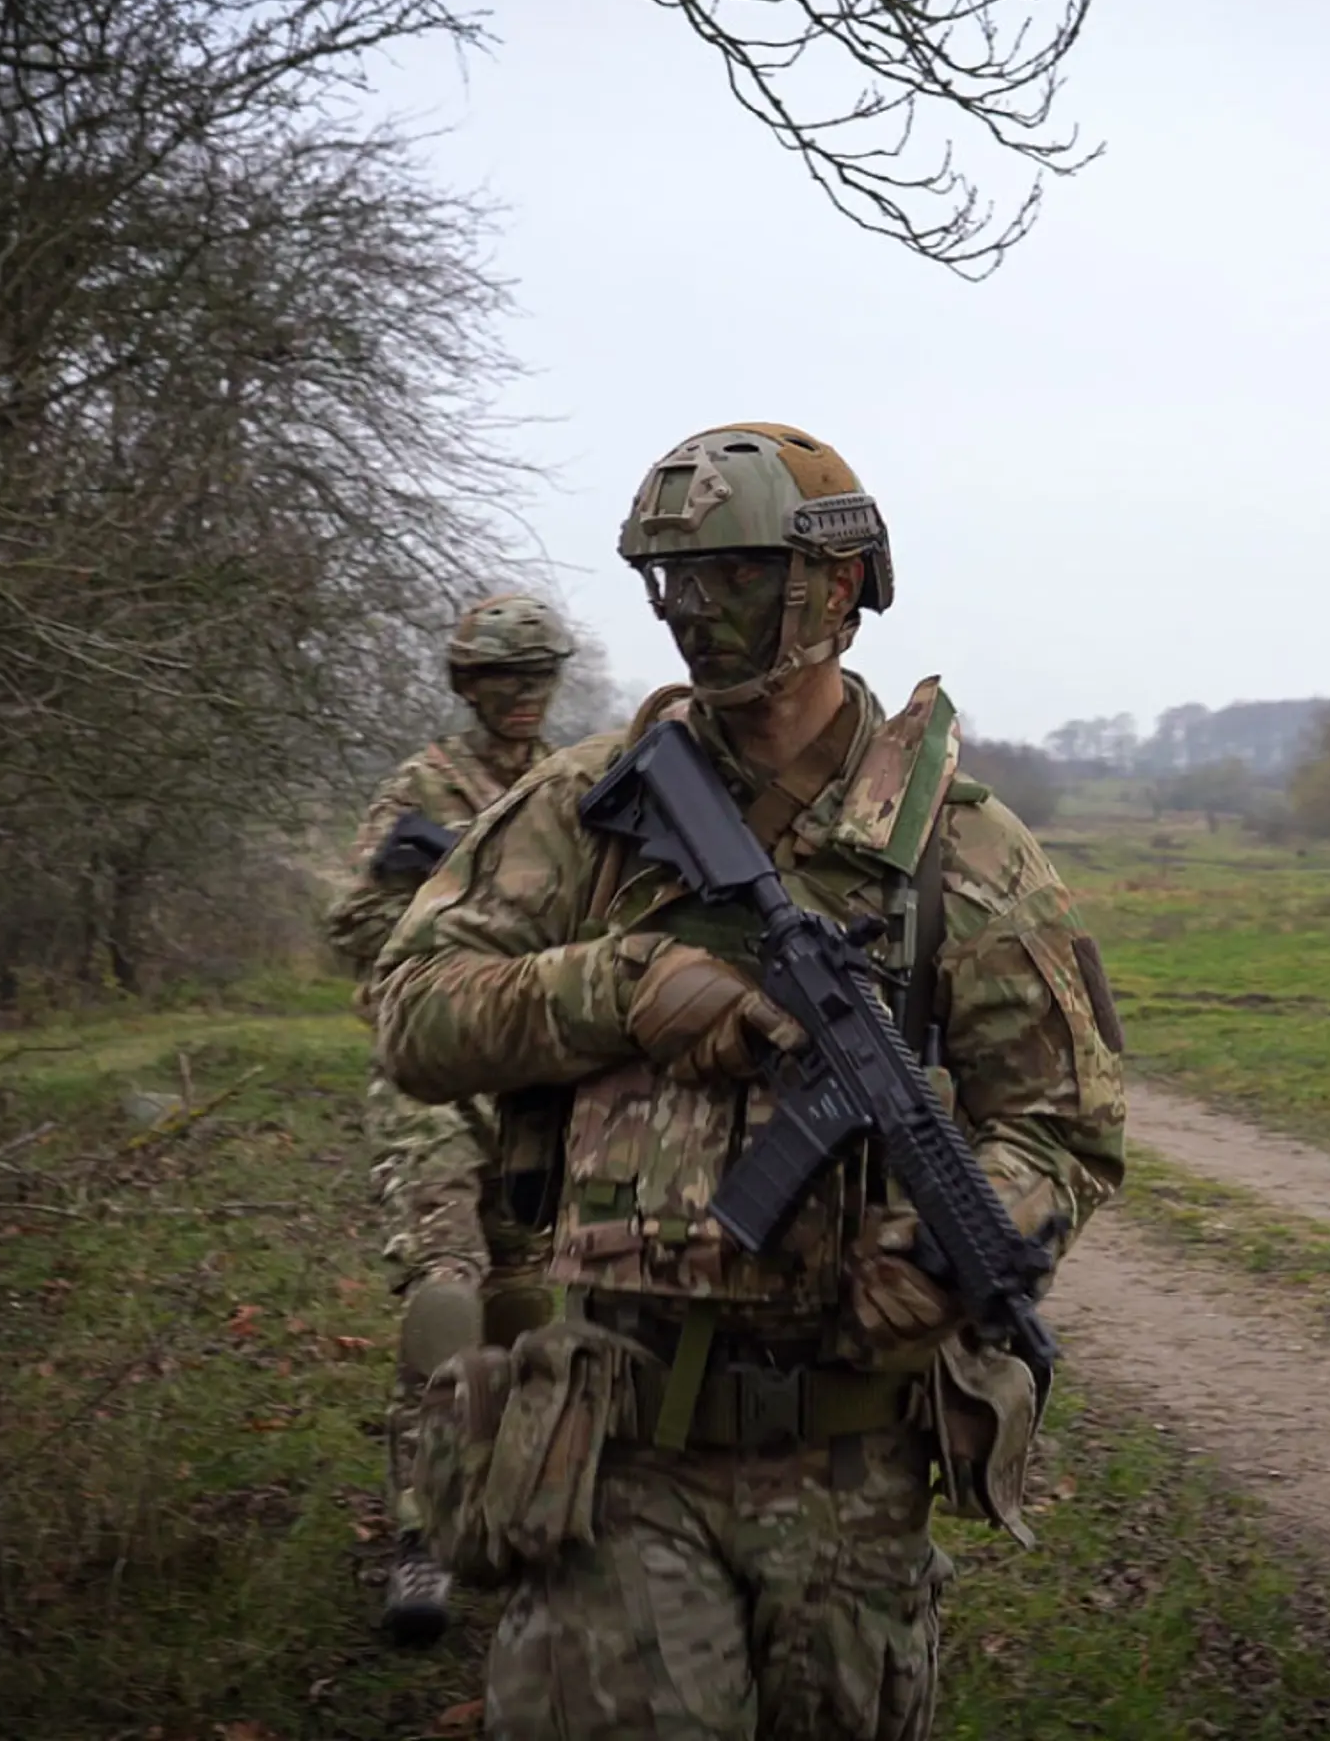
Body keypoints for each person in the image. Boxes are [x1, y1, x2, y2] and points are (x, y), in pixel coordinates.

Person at [373, 424, 1127, 1738]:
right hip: (614, 1444)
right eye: (671, 581)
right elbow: (411, 1011)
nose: (695, 614)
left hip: (850, 1463)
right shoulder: (584, 808)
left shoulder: (960, 849)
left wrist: (970, 1247)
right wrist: (617, 991)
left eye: (731, 574)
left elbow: (1065, 1126)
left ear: (838, 587)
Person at [325, 590, 575, 1645]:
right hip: (433, 1077)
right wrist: (418, 889)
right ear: (468, 686)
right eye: (500, 681)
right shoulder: (418, 789)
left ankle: (512, 1518)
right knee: (445, 1285)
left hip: (537, 1084)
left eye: (536, 678)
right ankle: (422, 1536)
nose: (520, 700)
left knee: (528, 1306)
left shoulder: (577, 787)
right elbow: (353, 936)